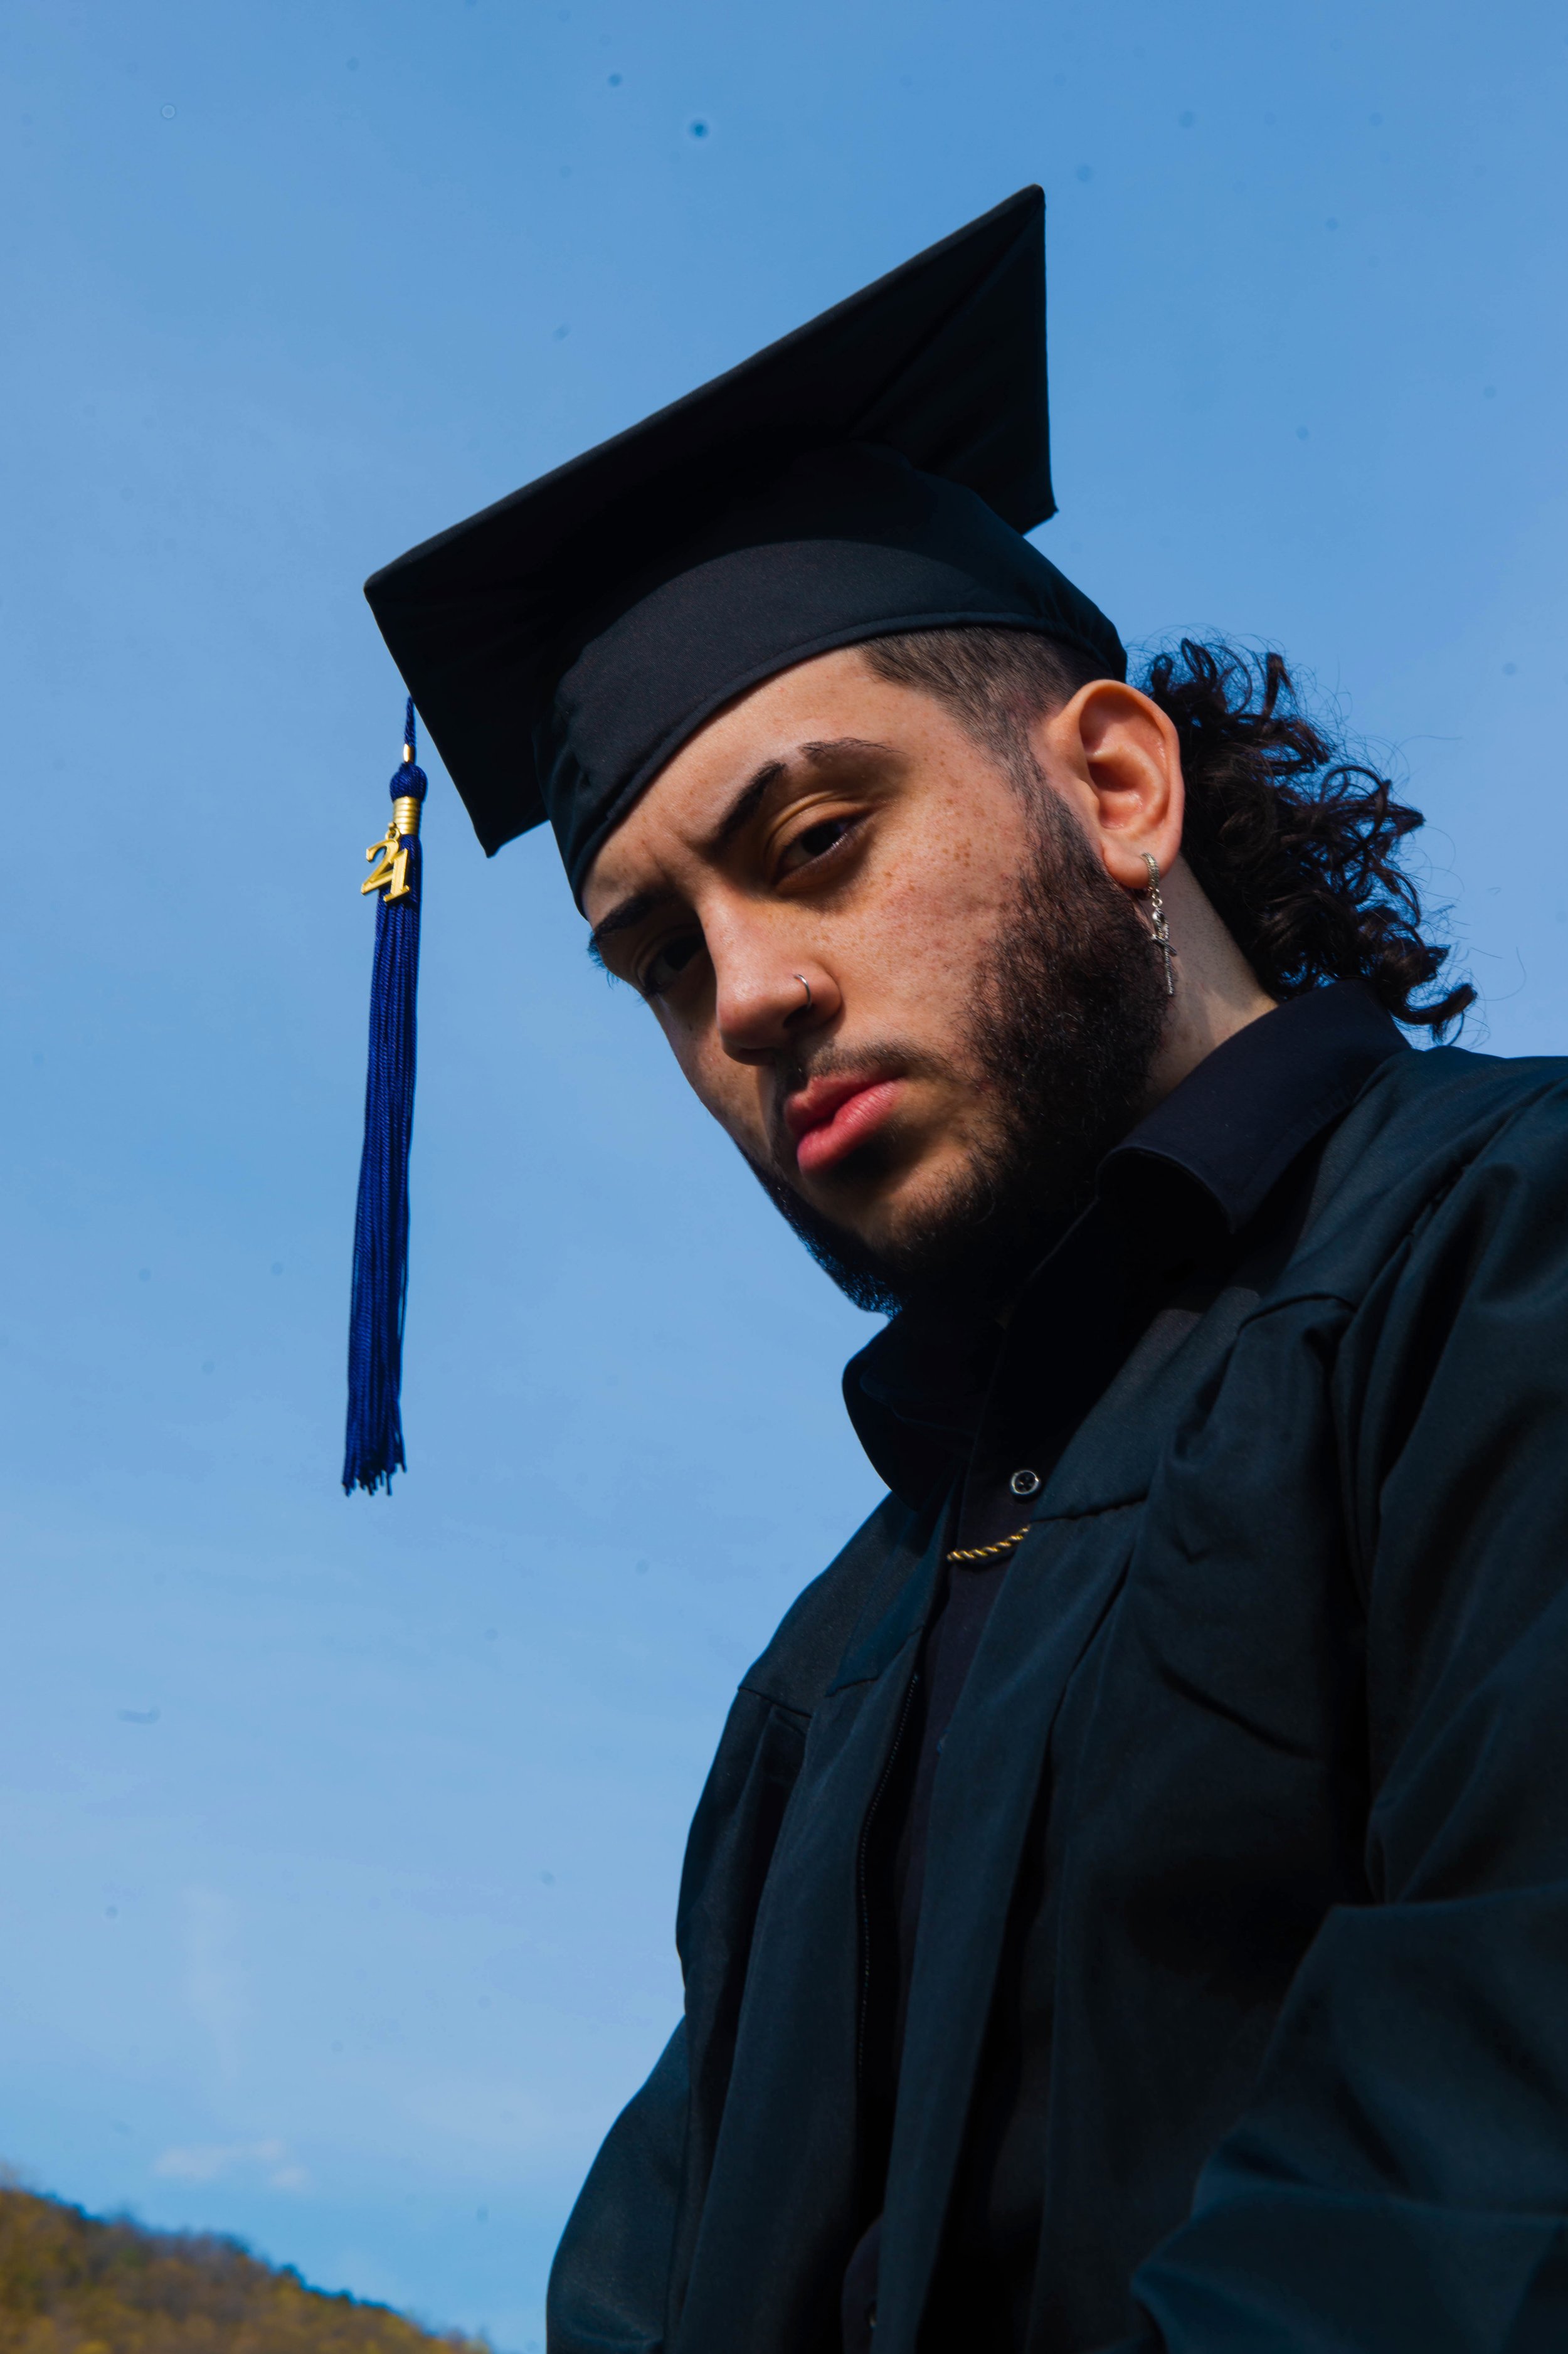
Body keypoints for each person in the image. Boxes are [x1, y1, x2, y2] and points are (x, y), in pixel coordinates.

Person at [366, 191, 1568, 2353]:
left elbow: (1480, 2166)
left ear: (1112, 784)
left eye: (809, 841)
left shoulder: (1503, 1255)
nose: (738, 996)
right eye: (654, 955)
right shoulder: (825, 1675)